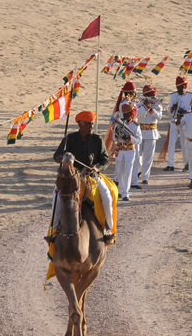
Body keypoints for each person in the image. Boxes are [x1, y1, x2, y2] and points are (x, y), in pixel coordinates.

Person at [48, 111, 113, 243]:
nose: (91, 127)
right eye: (89, 124)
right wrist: (60, 159)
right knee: (56, 198)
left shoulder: (97, 140)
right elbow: (56, 155)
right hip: (70, 178)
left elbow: (105, 160)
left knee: (107, 195)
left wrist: (97, 168)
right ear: (80, 124)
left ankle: (108, 230)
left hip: (91, 177)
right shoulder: (69, 138)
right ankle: (54, 230)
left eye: (92, 124)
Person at [113, 103, 142, 201]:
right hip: (120, 150)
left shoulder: (135, 125)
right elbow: (114, 138)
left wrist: (130, 138)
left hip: (129, 150)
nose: (125, 116)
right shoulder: (119, 123)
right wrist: (117, 135)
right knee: (120, 172)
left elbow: (139, 139)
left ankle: (126, 193)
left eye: (127, 114)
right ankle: (120, 191)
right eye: (124, 114)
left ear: (131, 114)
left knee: (128, 172)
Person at [165, 76, 192, 172]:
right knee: (171, 143)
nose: (180, 90)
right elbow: (168, 112)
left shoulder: (191, 96)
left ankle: (186, 163)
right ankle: (170, 164)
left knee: (184, 143)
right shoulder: (173, 96)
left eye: (182, 88)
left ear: (185, 87)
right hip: (174, 121)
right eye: (178, 88)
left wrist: (185, 111)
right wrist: (172, 108)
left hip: (184, 122)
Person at [137, 85, 163, 185]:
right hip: (140, 131)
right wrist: (144, 107)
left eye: (150, 96)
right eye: (147, 96)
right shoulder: (139, 105)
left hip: (151, 133)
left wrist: (151, 109)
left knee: (148, 157)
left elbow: (159, 117)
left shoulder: (157, 105)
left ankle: (145, 177)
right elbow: (137, 115)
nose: (149, 98)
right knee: (137, 156)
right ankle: (138, 171)